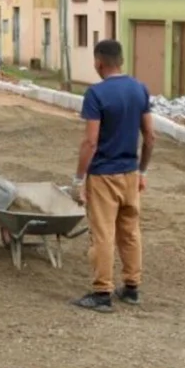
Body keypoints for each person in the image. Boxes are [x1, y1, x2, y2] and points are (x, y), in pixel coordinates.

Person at [71, 39, 154, 312]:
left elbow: (90, 142)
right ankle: (131, 287)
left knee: (103, 234)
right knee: (130, 231)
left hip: (104, 175)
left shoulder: (96, 94)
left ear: (99, 63)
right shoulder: (140, 89)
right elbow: (150, 136)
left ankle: (102, 293)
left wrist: (79, 178)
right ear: (121, 61)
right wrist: (142, 170)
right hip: (130, 173)